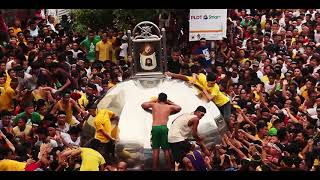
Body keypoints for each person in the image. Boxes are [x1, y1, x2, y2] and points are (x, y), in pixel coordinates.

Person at [141, 92, 181, 170]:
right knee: (166, 149)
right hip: (164, 127)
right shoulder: (168, 107)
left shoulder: (154, 105)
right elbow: (179, 108)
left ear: (158, 99)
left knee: (156, 149)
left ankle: (155, 168)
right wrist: (169, 102)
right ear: (165, 100)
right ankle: (169, 167)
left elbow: (143, 105)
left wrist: (154, 101)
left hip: (155, 127)